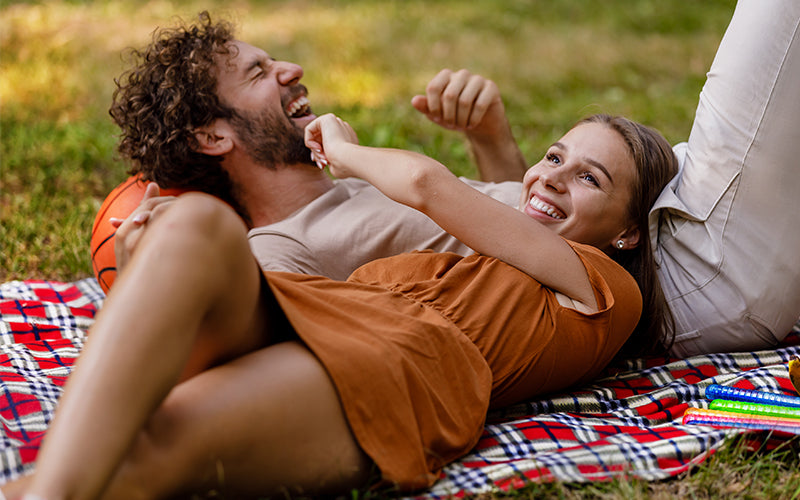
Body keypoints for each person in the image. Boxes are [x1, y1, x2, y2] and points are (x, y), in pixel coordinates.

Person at [5, 109, 678, 499]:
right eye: (554, 155)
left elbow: (423, 183)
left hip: (400, 365)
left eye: (588, 176)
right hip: (328, 313)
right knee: (198, 224)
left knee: (146, 450)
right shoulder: (470, 266)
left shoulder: (602, 288)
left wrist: (345, 152)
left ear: (626, 230)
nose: (551, 176)